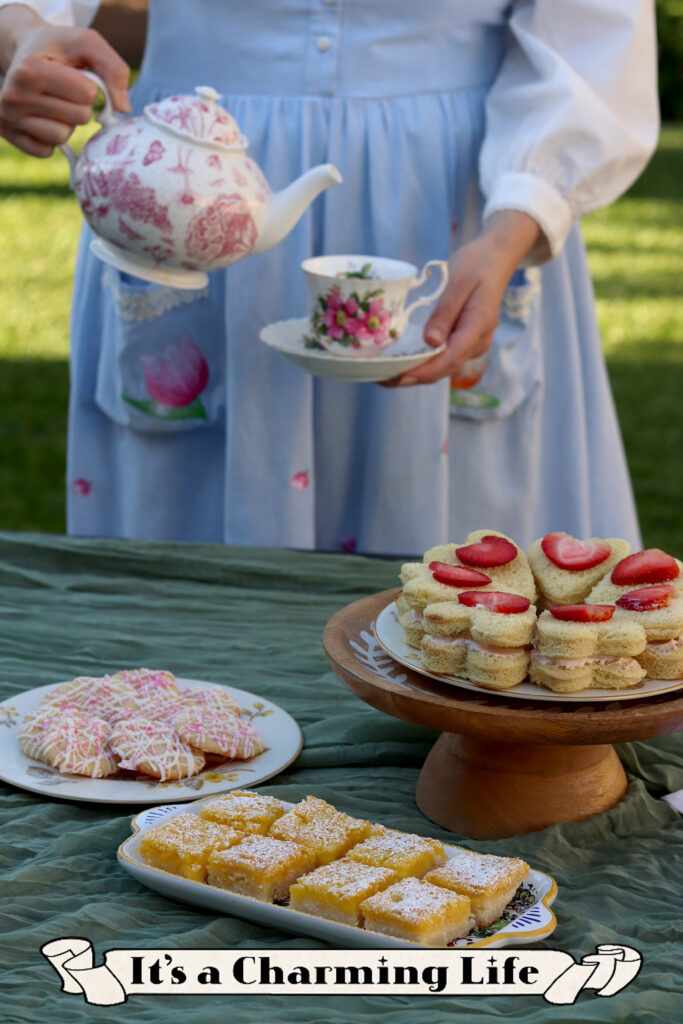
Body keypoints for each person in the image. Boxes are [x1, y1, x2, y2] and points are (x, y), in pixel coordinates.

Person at [0, 1, 658, 553]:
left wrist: (516, 222)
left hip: (463, 223)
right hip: (185, 198)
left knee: (469, 625)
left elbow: (594, 40)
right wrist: (24, 37)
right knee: (188, 609)